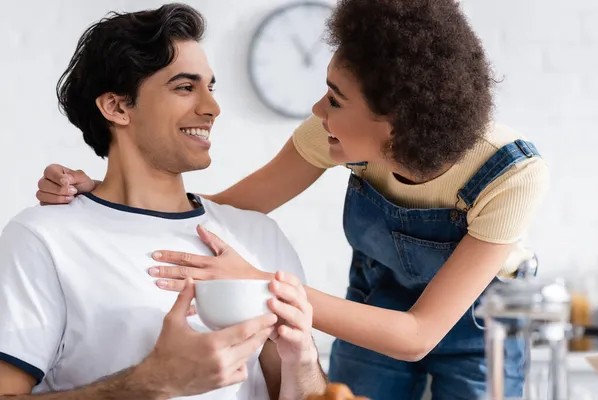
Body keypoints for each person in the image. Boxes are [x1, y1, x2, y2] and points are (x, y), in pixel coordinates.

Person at [35, 0, 549, 399]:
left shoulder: (509, 175)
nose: (316, 107)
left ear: (394, 122)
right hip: (375, 305)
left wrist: (264, 286)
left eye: (336, 99)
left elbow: (418, 334)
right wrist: (102, 199)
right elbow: (220, 207)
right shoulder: (332, 136)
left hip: (478, 329)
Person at [0, 4, 327, 399]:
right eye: (185, 87)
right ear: (117, 107)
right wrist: (150, 382)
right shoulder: (42, 239)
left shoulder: (258, 238)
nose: (212, 108)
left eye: (210, 87)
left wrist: (303, 360)